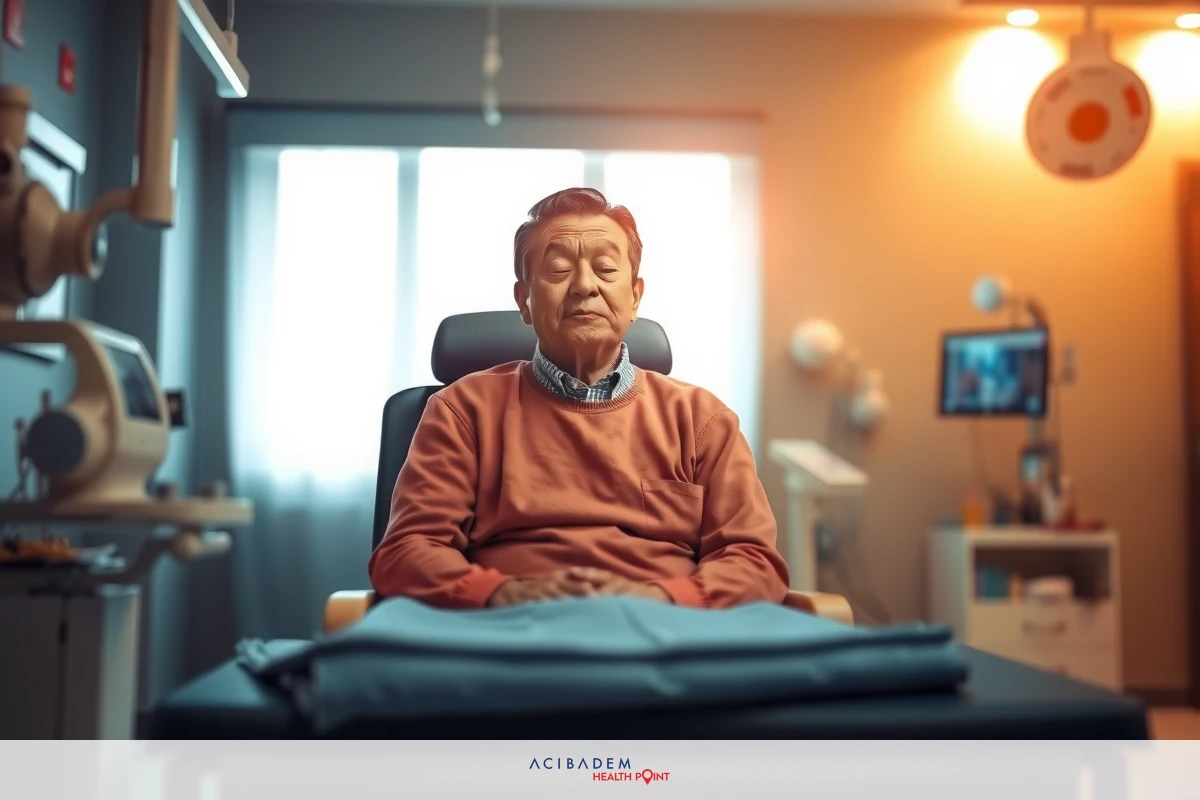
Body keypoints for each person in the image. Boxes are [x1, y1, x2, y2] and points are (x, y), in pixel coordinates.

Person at [368, 188, 789, 609]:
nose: (584, 286)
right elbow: (406, 553)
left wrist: (663, 596)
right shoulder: (463, 410)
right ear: (524, 301)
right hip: (511, 631)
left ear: (635, 296)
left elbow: (754, 563)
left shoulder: (701, 420)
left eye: (606, 269)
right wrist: (504, 593)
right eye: (558, 270)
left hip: (665, 634)